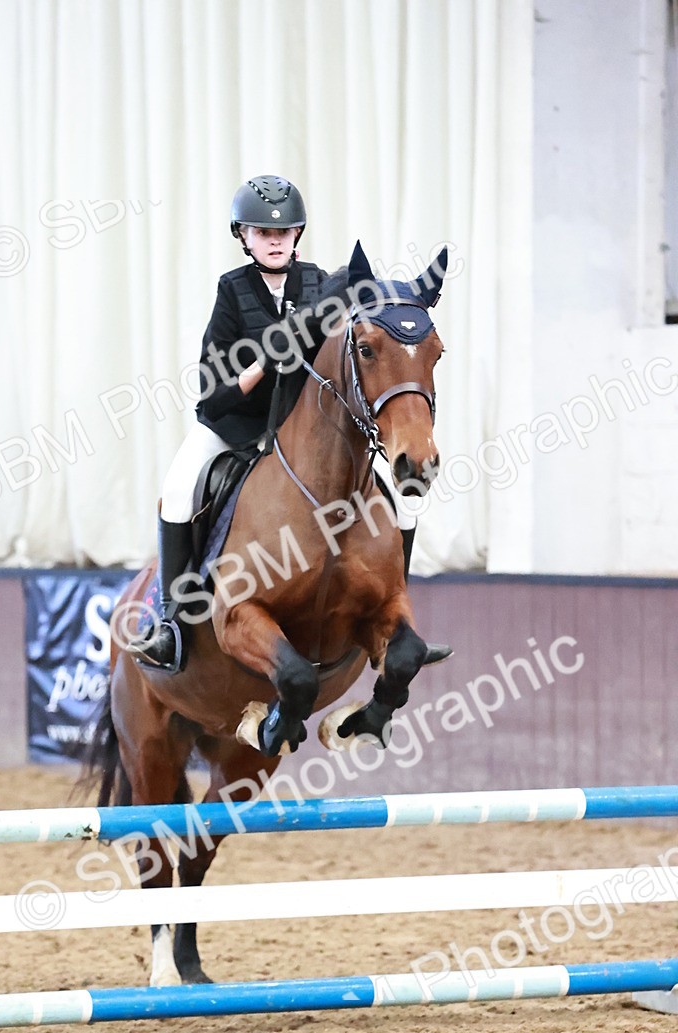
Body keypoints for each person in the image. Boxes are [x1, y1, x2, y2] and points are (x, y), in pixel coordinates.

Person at [130, 174, 450, 673]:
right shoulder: (232, 292)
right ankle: (171, 623)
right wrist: (261, 363)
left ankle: (395, 614)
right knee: (178, 487)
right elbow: (212, 396)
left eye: (283, 232)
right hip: (237, 424)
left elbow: (363, 339)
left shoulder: (320, 285)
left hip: (301, 428)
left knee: (401, 500)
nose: (274, 241)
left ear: (297, 235)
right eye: (262, 233)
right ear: (243, 236)